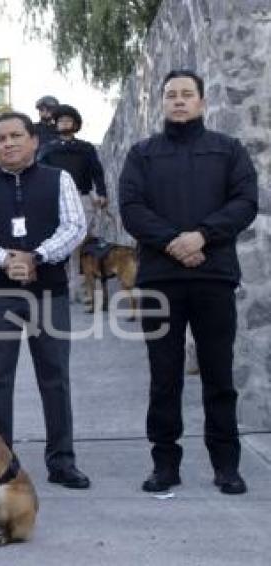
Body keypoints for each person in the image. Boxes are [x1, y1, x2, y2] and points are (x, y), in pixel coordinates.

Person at [119, 70, 257, 495]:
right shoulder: (142, 154)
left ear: (201, 102)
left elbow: (245, 202)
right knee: (164, 376)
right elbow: (131, 207)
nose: (178, 101)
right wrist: (174, 243)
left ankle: (226, 466)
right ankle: (165, 464)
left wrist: (202, 236)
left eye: (186, 94)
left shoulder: (228, 150)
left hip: (213, 277)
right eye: (171, 95)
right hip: (161, 280)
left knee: (218, 374)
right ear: (162, 102)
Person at [0, 111, 90, 490]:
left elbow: (75, 226)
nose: (9, 143)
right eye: (1, 138)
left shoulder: (58, 180)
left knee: (55, 378)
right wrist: (5, 259)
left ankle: (62, 461)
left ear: (33, 140)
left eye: (17, 135)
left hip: (49, 292)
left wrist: (38, 257)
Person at [37, 104, 108, 302]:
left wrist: (101, 193)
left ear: (75, 125)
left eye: (68, 121)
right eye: (60, 121)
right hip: (56, 200)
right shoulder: (47, 149)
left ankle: (87, 289)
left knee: (83, 243)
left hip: (83, 198)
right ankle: (64, 287)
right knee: (61, 243)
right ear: (56, 125)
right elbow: (40, 176)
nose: (64, 123)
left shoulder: (86, 148)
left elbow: (97, 172)